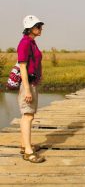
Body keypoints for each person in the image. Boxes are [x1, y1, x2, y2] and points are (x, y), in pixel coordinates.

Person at [17, 15, 45, 163]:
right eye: (38, 26)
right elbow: (22, 67)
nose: (41, 28)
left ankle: (24, 145)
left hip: (32, 83)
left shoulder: (32, 43)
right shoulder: (25, 43)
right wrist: (27, 90)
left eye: (40, 26)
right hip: (27, 84)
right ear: (30, 28)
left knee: (28, 115)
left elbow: (34, 62)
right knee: (27, 116)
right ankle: (28, 152)